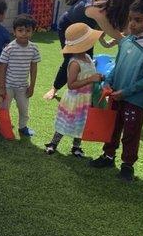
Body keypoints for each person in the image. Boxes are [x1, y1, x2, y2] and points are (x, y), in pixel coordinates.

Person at [90, 0, 143, 181]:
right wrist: (108, 82)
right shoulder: (126, 42)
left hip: (135, 100)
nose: (132, 24)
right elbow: (117, 66)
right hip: (116, 95)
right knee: (113, 127)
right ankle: (108, 156)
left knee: (131, 132)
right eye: (130, 19)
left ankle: (127, 166)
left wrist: (127, 92)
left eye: (138, 20)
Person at [44, 0, 140, 100]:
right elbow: (116, 34)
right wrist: (133, 41)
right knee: (71, 60)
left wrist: (133, 34)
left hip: (87, 29)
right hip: (69, 28)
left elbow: (115, 27)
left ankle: (90, 90)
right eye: (133, 3)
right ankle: (55, 88)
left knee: (88, 60)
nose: (134, 6)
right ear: (124, 2)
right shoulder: (97, 10)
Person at [44, 23, 103, 156]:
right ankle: (53, 143)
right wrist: (90, 79)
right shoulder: (75, 62)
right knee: (66, 121)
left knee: (83, 123)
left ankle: (76, 146)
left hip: (87, 98)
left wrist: (98, 77)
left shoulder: (88, 57)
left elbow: (90, 74)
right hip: (75, 99)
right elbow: (71, 84)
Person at [0, 14, 41, 137]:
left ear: (32, 32)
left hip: (23, 87)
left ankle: (23, 127)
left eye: (28, 31)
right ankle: (4, 127)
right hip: (8, 86)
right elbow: (2, 69)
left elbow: (34, 68)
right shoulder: (9, 48)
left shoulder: (34, 48)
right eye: (20, 30)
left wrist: (32, 86)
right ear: (14, 31)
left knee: (24, 109)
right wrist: (2, 87)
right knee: (4, 108)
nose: (24, 33)